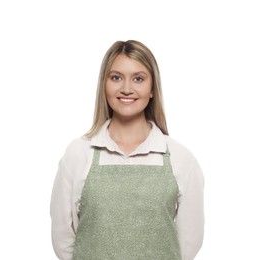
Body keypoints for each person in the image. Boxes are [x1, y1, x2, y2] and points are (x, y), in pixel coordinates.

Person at [50, 40, 204, 260]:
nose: (126, 89)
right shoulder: (78, 154)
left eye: (138, 79)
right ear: (104, 84)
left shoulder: (180, 159)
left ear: (152, 89)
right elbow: (63, 239)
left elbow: (188, 242)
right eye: (116, 77)